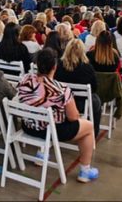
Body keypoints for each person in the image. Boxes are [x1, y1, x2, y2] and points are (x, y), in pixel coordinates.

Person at [17, 48, 98, 183]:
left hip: (29, 126)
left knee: (43, 116)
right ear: (55, 66)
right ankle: (85, 171)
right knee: (88, 127)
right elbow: (73, 117)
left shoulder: (25, 81)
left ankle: (42, 154)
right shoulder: (61, 89)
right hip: (53, 131)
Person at [55, 39, 102, 138]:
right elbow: (94, 88)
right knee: (97, 102)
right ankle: (93, 133)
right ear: (82, 51)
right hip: (81, 104)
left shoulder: (58, 66)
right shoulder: (87, 68)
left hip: (62, 102)